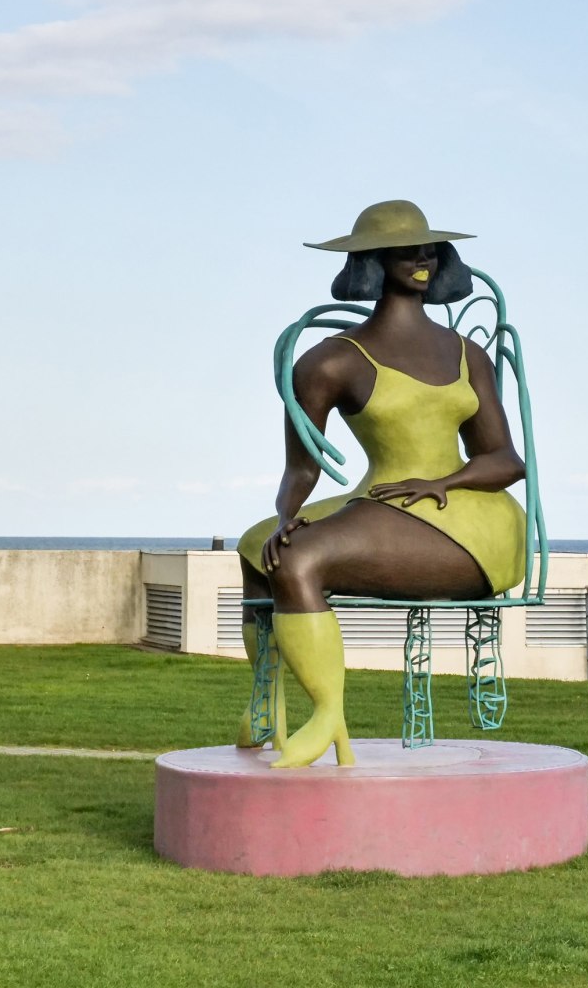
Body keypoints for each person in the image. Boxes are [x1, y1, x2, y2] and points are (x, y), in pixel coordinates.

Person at [236, 200, 528, 768]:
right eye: (405, 250)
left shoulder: (468, 354)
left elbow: (506, 460)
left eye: (429, 249)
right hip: (385, 502)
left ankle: (327, 716)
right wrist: (283, 516)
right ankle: (267, 707)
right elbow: (302, 467)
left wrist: (446, 479)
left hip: (471, 519)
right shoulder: (329, 362)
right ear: (372, 262)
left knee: (299, 562)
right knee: (258, 548)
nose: (421, 258)